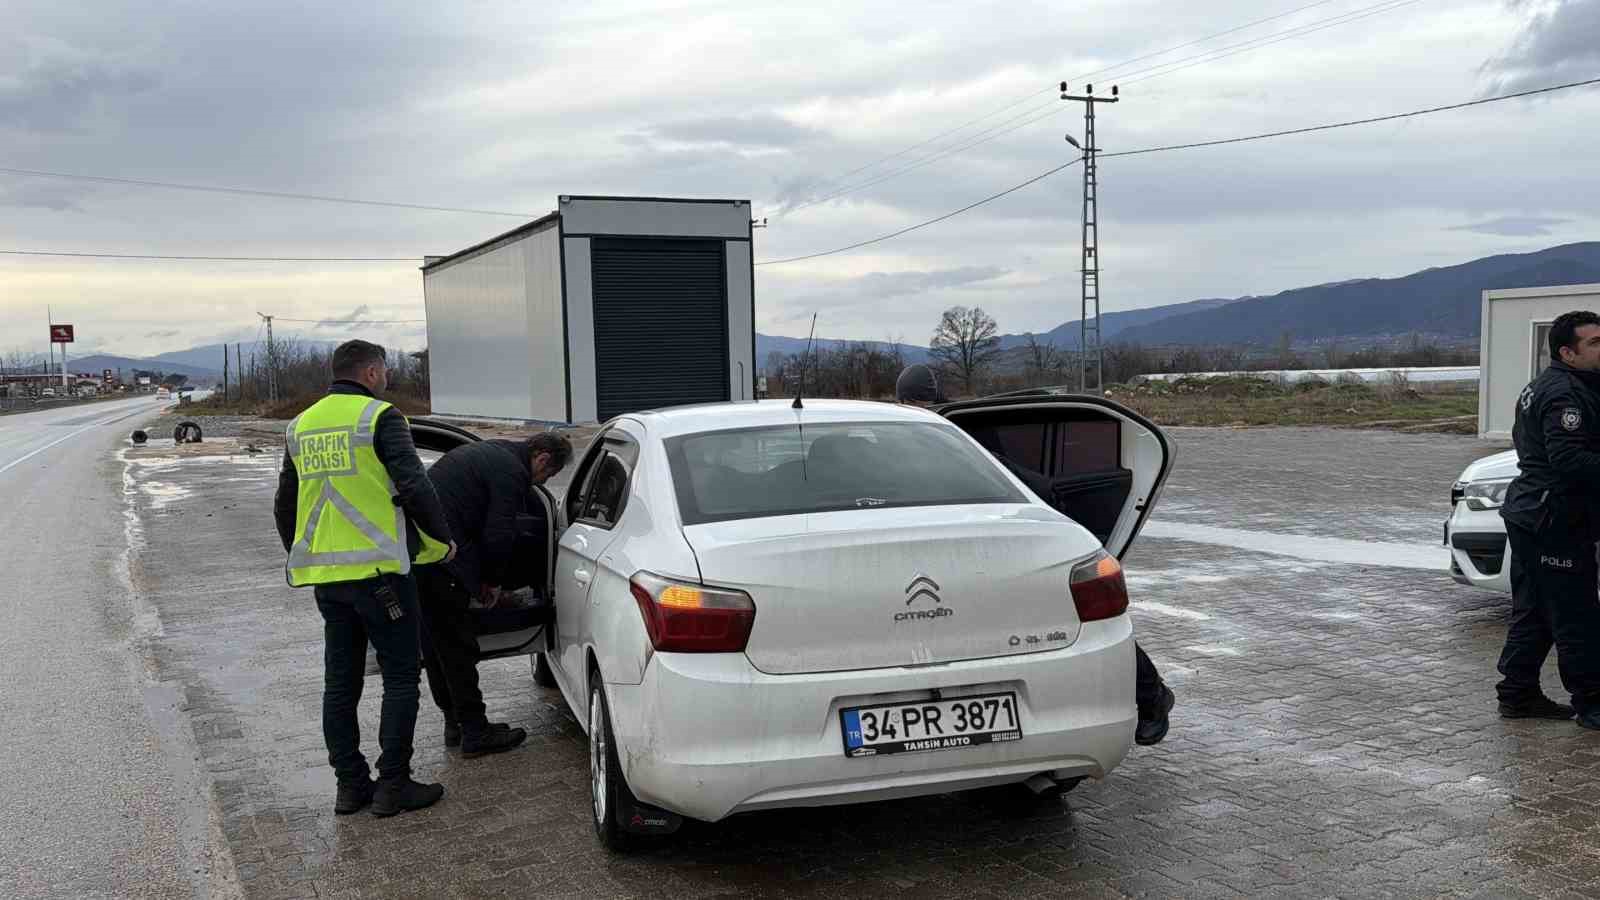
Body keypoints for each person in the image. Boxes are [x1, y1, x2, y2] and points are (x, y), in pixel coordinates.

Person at [893, 363, 1175, 745]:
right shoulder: (902, 438)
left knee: (1076, 621)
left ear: (932, 396)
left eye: (918, 400)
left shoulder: (965, 432)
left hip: (1007, 548)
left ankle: (1151, 695)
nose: (914, 407)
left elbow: (1026, 486)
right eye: (908, 402)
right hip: (956, 557)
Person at [274, 339, 458, 817]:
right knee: (400, 679)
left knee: (340, 685)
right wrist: (443, 540)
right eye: (385, 372)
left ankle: (351, 786)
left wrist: (305, 553)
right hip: (381, 576)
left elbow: (284, 504)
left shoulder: (301, 425)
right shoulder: (379, 417)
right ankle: (393, 785)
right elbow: (415, 484)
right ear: (373, 373)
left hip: (328, 582)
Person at [417, 432, 574, 756]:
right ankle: (475, 732)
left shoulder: (494, 452)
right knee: (457, 647)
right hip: (444, 557)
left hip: (421, 554)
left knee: (438, 646)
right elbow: (499, 531)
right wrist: (491, 583)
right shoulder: (512, 471)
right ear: (542, 458)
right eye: (549, 475)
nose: (542, 481)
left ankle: (455, 724)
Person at [1495, 310, 1600, 728]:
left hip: (1533, 514)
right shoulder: (1562, 394)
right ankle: (1592, 703)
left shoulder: (1566, 385)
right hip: (1552, 518)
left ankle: (1517, 694)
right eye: (1594, 343)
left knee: (1536, 609)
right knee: (1575, 612)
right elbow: (1569, 458)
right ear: (1567, 352)